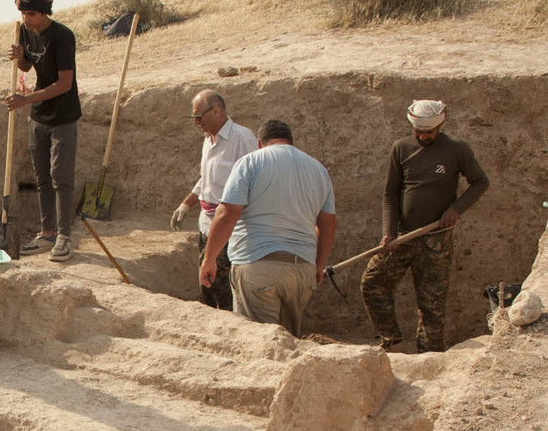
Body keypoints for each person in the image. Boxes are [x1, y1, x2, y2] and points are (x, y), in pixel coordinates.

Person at [360, 100, 490, 353]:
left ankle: (429, 357)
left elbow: (480, 182)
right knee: (372, 283)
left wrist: (456, 209)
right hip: (403, 237)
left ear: (440, 126)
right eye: (419, 131)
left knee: (431, 305)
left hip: (436, 240)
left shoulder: (456, 150)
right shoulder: (401, 149)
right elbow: (390, 194)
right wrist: (388, 232)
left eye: (428, 132)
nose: (423, 136)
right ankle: (391, 341)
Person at [199, 119, 336, 337]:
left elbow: (227, 215)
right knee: (289, 342)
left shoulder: (250, 162)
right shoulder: (318, 169)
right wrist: (318, 264)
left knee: (258, 341)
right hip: (301, 270)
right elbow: (328, 224)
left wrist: (209, 258)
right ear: (291, 142)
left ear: (259, 143)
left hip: (257, 265)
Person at [4, 0, 81, 263]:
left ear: (44, 12)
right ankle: (47, 233)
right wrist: (20, 57)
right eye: (23, 14)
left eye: (31, 14)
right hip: (39, 115)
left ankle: (63, 237)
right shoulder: (25, 31)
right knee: (43, 178)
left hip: (63, 114)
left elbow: (64, 84)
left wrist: (27, 100)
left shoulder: (63, 36)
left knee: (61, 177)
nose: (26, 19)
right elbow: (28, 65)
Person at [170, 90, 257, 310]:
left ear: (217, 110)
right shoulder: (208, 140)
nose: (196, 122)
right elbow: (206, 178)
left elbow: (254, 180)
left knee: (224, 286)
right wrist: (186, 204)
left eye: (198, 117)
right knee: (207, 283)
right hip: (206, 222)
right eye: (193, 118)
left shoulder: (242, 139)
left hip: (228, 224)